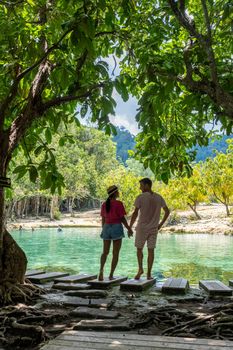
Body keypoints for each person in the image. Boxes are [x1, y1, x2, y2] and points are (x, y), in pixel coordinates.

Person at [129, 178, 170, 280]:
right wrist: (160, 224)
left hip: (142, 228)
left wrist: (130, 226)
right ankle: (149, 274)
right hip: (153, 229)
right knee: (151, 250)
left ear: (147, 185)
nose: (140, 188)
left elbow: (135, 213)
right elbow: (167, 211)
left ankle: (140, 270)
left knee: (139, 249)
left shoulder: (140, 197)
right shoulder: (159, 197)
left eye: (141, 185)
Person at [99, 185, 133, 281]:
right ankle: (110, 275)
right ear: (114, 193)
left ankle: (101, 271)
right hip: (116, 227)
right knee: (115, 253)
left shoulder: (104, 204)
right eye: (117, 191)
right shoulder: (119, 204)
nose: (119, 193)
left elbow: (103, 219)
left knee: (105, 252)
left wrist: (104, 229)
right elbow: (122, 218)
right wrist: (129, 228)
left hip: (106, 227)